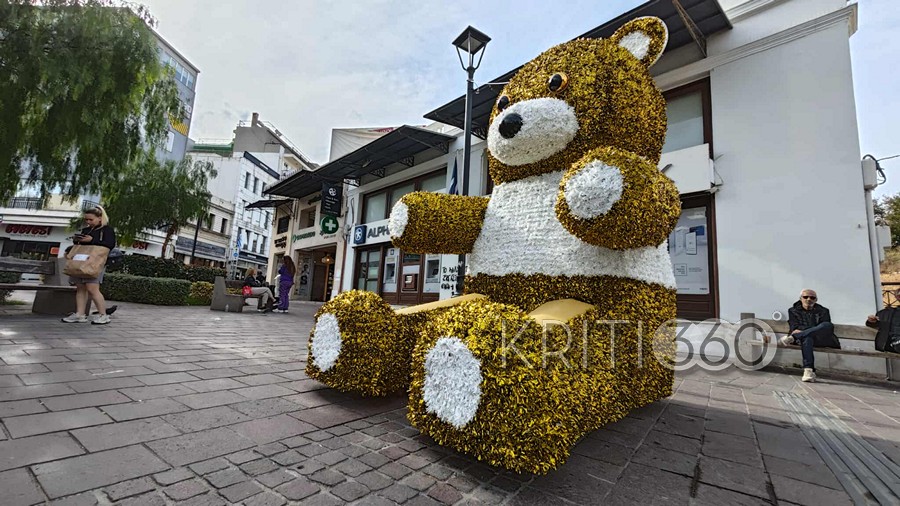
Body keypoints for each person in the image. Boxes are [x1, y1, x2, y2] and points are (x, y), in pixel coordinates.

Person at [62, 205, 116, 325]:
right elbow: (79, 244)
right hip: (81, 262)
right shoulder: (86, 230)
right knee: (80, 288)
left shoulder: (107, 230)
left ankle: (103, 315)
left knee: (92, 288)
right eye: (86, 219)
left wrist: (91, 240)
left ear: (100, 218)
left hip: (95, 263)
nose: (88, 222)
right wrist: (77, 240)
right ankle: (80, 314)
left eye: (91, 219)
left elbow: (109, 244)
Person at [780, 289, 840, 382]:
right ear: (800, 299)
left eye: (812, 297)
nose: (809, 299)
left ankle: (794, 338)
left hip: (822, 339)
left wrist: (800, 332)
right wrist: (814, 329)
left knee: (828, 325)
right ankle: (808, 370)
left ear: (816, 300)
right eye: (805, 297)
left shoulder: (824, 311)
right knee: (807, 337)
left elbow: (825, 328)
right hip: (805, 340)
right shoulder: (793, 310)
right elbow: (794, 327)